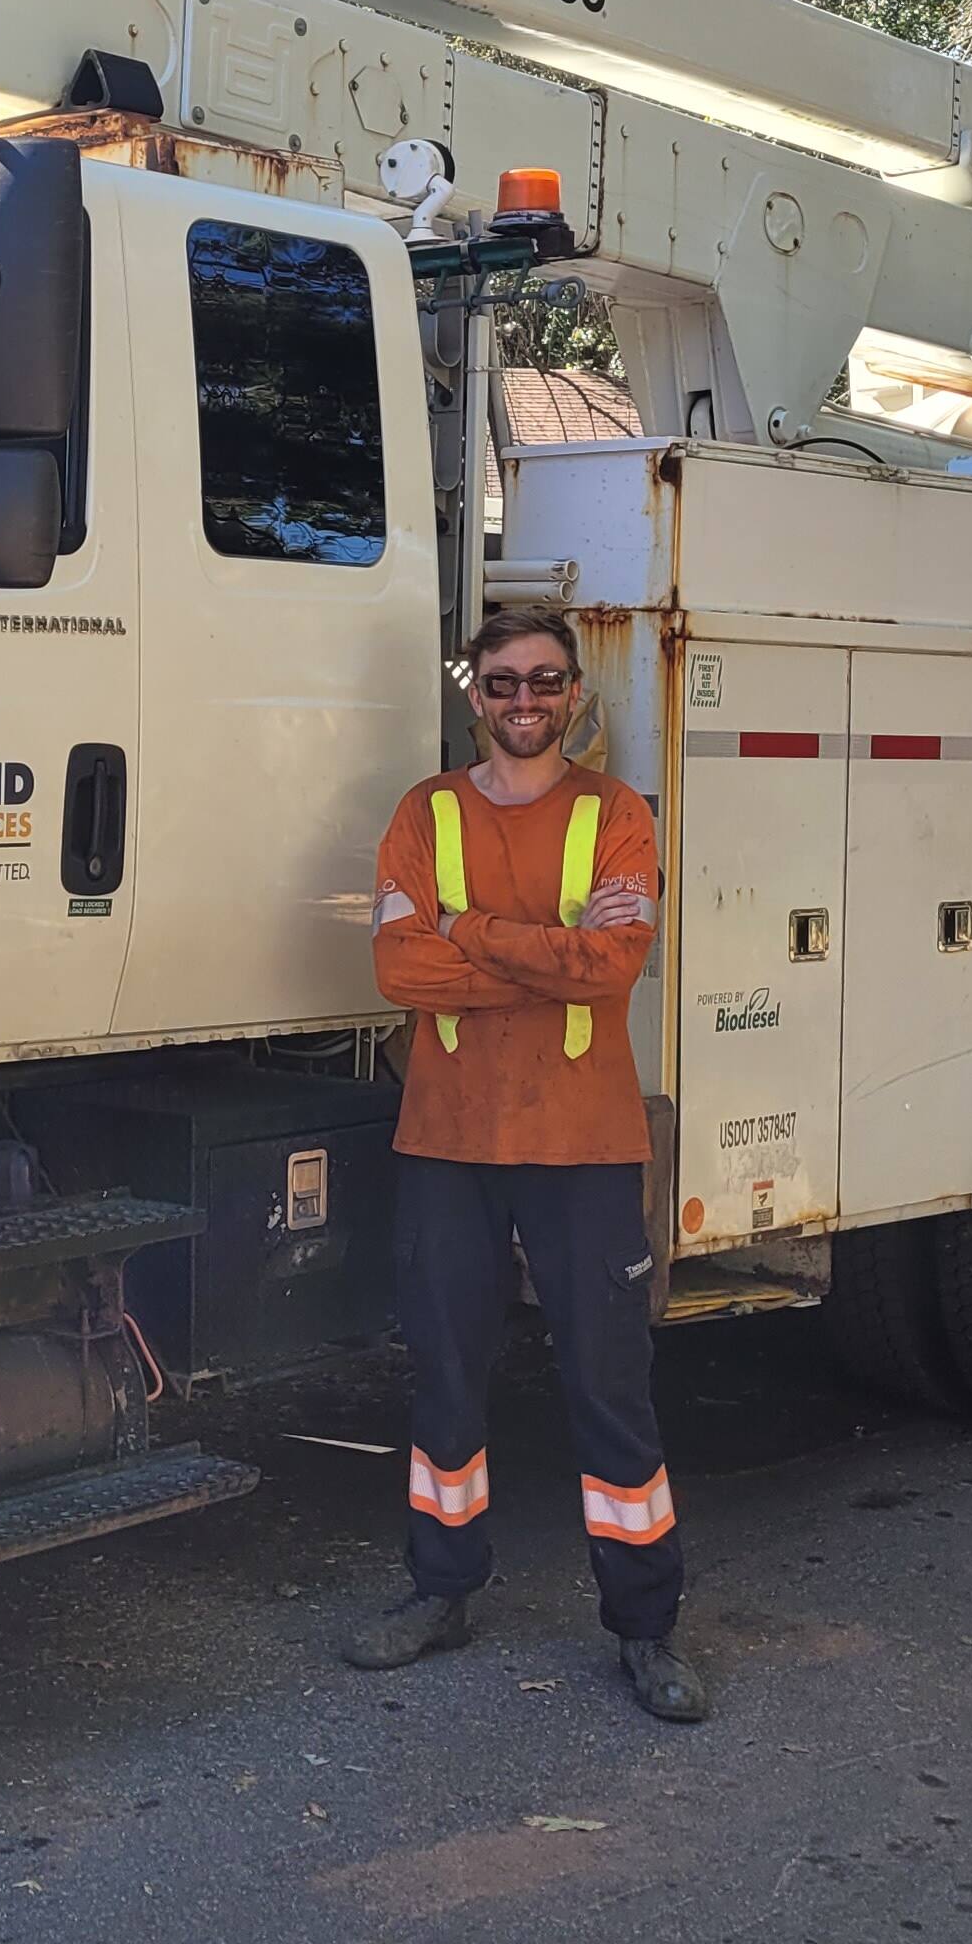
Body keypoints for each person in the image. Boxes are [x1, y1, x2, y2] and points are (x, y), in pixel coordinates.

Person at [345, 604, 706, 1723]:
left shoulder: (618, 815)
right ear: (477, 695)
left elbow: (611, 967)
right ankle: (441, 1592)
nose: (524, 701)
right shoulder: (426, 813)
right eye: (502, 682)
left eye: (545, 682)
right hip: (448, 1144)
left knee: (609, 1389)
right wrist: (540, 956)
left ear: (574, 696)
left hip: (581, 1144)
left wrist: (467, 929)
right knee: (445, 1382)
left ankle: (645, 1629)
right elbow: (399, 973)